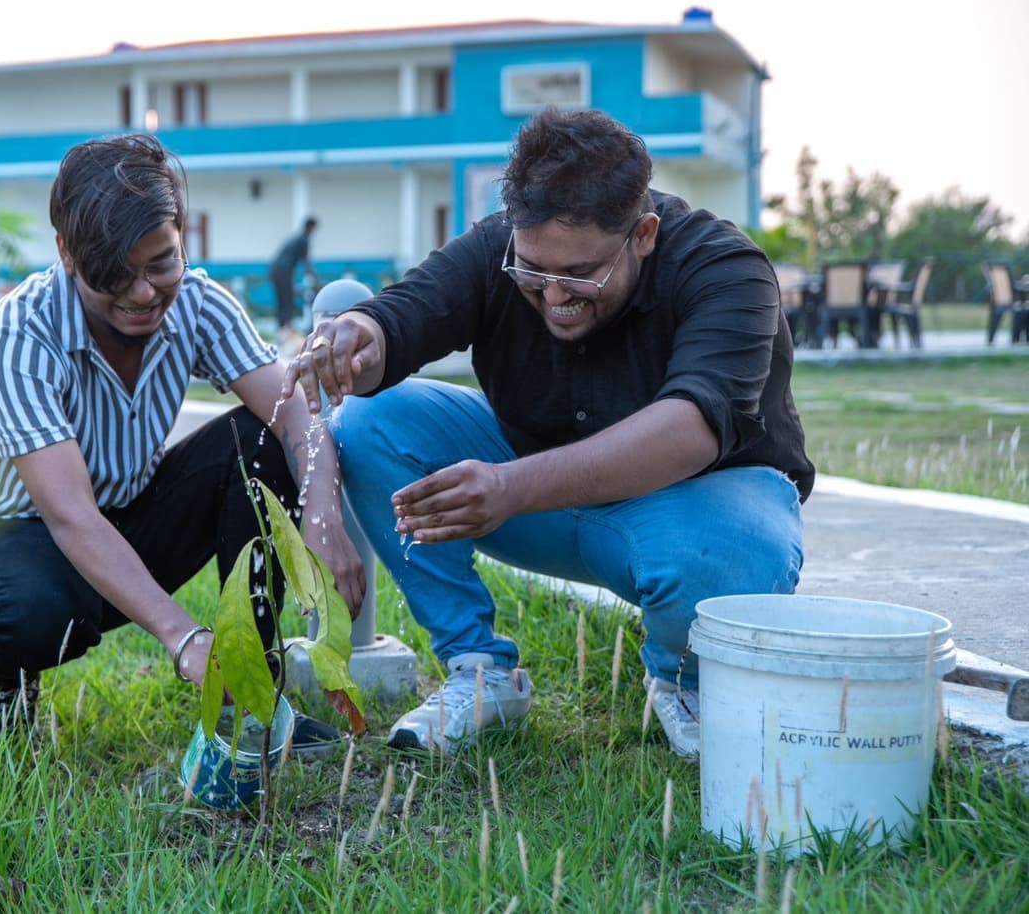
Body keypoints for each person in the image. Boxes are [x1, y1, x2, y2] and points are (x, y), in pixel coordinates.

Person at [284, 108, 813, 759]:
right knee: (371, 422)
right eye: (534, 273)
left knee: (723, 552)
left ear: (643, 234)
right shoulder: (500, 248)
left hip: (692, 511)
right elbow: (410, 309)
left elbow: (691, 430)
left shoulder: (726, 269)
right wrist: (361, 336)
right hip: (545, 507)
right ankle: (480, 670)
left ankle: (685, 676)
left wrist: (510, 486)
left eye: (581, 274)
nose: (555, 295)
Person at [0, 135, 365, 752]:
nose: (142, 293)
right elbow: (71, 518)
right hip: (21, 537)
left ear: (182, 235)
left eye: (161, 263)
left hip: (127, 514)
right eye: (114, 273)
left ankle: (256, 686)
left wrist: (322, 512)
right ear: (67, 255)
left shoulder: (199, 303)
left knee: (257, 441)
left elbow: (297, 416)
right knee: (32, 616)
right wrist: (183, 637)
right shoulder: (18, 336)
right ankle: (11, 688)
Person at [269, 216, 318, 342]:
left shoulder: (296, 238)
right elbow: (306, 263)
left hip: (276, 270)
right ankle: (285, 329)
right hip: (283, 271)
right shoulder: (303, 240)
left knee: (283, 300)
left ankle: (282, 329)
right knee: (287, 300)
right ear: (311, 227)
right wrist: (316, 281)